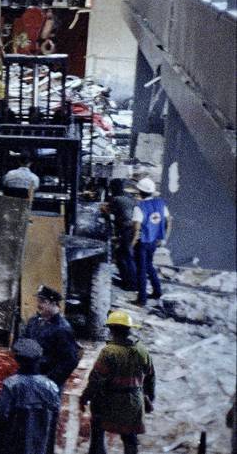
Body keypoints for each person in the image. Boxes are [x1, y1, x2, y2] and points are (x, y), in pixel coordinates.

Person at [80, 311, 155, 454]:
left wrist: (85, 397)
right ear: (129, 329)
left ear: (111, 330)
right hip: (134, 402)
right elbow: (151, 377)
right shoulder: (142, 350)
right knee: (130, 439)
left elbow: (96, 380)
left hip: (109, 402)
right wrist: (149, 398)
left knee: (97, 433)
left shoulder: (108, 352)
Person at [0, 339, 61, 454]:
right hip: (38, 441)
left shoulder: (11, 385)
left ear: (18, 360)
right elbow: (55, 409)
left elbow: (1, 413)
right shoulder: (50, 386)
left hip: (15, 441)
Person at [21, 285, 80, 395]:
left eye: (43, 301)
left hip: (48, 385)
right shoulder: (33, 322)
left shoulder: (62, 329)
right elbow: (23, 343)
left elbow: (71, 360)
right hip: (30, 379)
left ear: (53, 303)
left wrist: (49, 381)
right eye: (38, 301)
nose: (38, 305)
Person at [131, 177, 170, 305]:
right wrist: (164, 237)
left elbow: (136, 229)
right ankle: (157, 292)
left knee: (141, 270)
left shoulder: (139, 207)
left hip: (142, 243)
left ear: (140, 192)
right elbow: (169, 221)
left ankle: (141, 300)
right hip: (154, 241)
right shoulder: (160, 203)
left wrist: (131, 245)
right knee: (149, 265)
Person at [101, 178, 137, 290]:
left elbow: (108, 211)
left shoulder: (116, 199)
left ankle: (131, 283)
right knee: (125, 255)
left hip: (126, 229)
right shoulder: (129, 197)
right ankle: (128, 281)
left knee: (124, 256)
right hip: (132, 228)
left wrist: (103, 208)